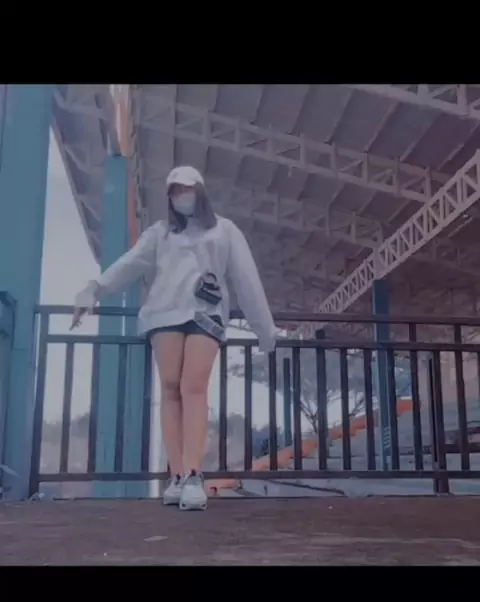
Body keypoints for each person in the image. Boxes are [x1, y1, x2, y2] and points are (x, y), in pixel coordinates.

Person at [71, 165, 276, 511]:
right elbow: (129, 264)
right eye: (175, 191)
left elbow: (246, 279)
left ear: (200, 190)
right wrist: (95, 288)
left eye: (187, 188)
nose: (182, 196)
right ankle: (178, 475)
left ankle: (194, 474)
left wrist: (264, 330)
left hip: (205, 314)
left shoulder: (224, 230)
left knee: (193, 388)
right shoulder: (160, 233)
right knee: (169, 389)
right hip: (164, 314)